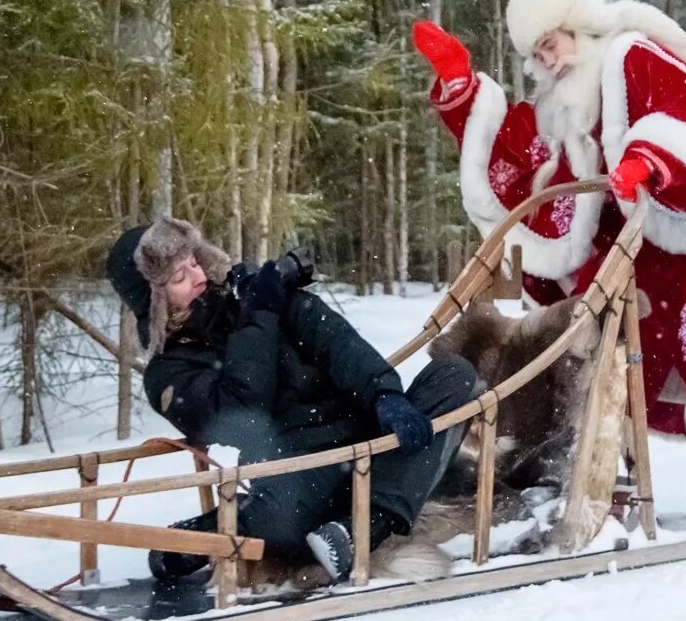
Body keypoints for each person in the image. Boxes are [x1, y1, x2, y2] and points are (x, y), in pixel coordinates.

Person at [412, 0, 686, 531]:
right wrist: (463, 91)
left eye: (554, 42)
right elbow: (521, 158)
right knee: (597, 343)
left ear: (581, 29)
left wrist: (647, 159)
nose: (549, 59)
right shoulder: (564, 110)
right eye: (538, 52)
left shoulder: (631, 55)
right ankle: (597, 476)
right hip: (646, 257)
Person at [106, 217, 476, 582]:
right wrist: (259, 317)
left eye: (194, 262)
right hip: (295, 474)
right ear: (155, 302)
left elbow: (339, 346)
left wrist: (385, 395)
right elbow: (244, 413)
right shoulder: (168, 372)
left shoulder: (261, 298)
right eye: (179, 277)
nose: (200, 276)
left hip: (368, 442)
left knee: (455, 375)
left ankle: (365, 527)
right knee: (281, 520)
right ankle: (196, 539)